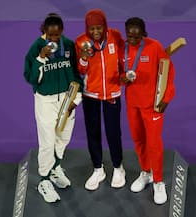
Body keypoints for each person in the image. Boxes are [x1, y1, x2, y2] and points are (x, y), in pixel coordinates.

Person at [24, 13, 82, 203]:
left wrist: (77, 97)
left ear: (62, 31)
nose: (54, 39)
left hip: (66, 98)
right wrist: (41, 59)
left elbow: (76, 73)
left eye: (57, 35)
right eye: (50, 36)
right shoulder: (36, 48)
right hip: (45, 100)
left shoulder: (69, 45)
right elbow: (31, 78)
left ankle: (55, 168)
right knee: (48, 141)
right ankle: (44, 180)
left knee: (63, 137)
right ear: (44, 32)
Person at [120, 17, 175, 205]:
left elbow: (169, 71)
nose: (132, 40)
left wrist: (166, 98)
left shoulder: (154, 46)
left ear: (143, 34)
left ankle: (159, 181)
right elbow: (119, 73)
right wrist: (123, 79)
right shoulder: (123, 48)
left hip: (152, 105)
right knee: (138, 140)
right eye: (129, 36)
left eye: (136, 37)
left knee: (153, 143)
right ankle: (146, 173)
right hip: (132, 104)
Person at [75, 9, 126, 191]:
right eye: (91, 29)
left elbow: (123, 58)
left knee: (113, 132)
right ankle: (98, 169)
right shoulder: (81, 42)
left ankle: (118, 167)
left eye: (99, 28)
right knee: (93, 132)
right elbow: (80, 71)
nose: (95, 32)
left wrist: (123, 76)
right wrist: (83, 58)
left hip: (112, 93)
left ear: (105, 26)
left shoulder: (115, 36)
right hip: (91, 94)